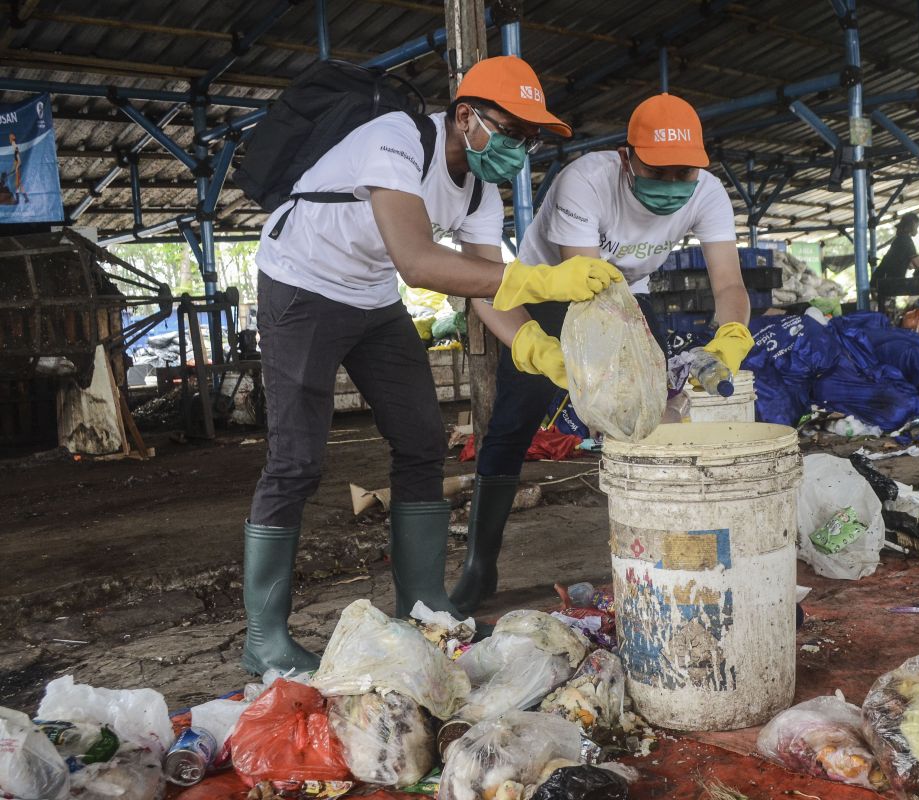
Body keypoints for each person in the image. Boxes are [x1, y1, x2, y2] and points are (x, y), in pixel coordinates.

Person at [243, 55, 623, 674]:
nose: (519, 147)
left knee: (422, 440)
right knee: (296, 460)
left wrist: (534, 347)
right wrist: (545, 275)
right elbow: (419, 261)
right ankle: (264, 638)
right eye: (513, 130)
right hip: (302, 285)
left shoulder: (479, 189)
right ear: (466, 115)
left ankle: (422, 604)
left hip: (370, 296)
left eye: (530, 137)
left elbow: (483, 285)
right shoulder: (396, 137)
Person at [452, 93, 753, 614]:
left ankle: (661, 551)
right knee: (512, 425)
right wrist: (603, 386)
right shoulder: (585, 181)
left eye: (685, 174)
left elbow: (729, 282)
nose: (674, 184)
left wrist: (730, 339)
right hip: (555, 292)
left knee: (657, 420)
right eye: (659, 171)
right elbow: (588, 292)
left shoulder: (708, 193)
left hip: (629, 297)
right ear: (625, 156)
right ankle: (481, 564)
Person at [870, 212, 919, 298]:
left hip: (880, 280)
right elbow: (917, 263)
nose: (917, 230)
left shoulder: (900, 240)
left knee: (885, 307)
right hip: (885, 282)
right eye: (916, 227)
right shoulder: (906, 241)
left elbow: (911, 264)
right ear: (911, 226)